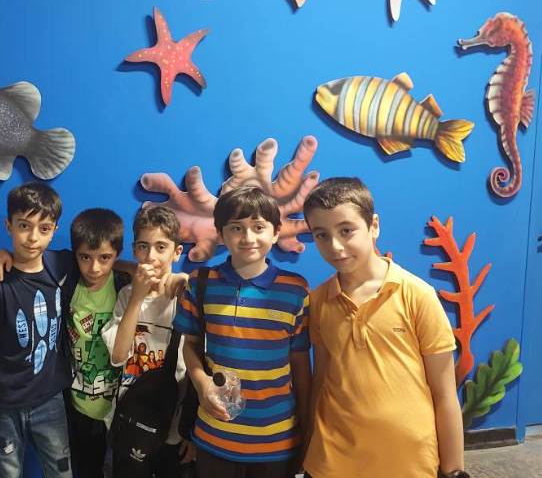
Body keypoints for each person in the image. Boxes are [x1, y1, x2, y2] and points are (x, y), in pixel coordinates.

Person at [302, 177, 466, 478]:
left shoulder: (417, 295)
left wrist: (454, 471)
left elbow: (445, 394)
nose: (335, 246)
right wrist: (308, 445)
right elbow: (321, 381)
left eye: (346, 230)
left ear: (373, 225)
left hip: (408, 465)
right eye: (321, 235)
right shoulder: (319, 300)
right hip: (332, 463)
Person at [175, 186, 311, 478]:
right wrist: (201, 382)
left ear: (275, 232)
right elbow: (190, 344)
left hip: (277, 441)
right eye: (236, 228)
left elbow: (301, 366)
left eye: (258, 227)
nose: (248, 237)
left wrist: (307, 432)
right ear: (221, 234)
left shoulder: (295, 289)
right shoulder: (200, 283)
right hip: (214, 436)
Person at [0, 182, 74, 478]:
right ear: (8, 225)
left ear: (54, 230)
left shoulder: (61, 265)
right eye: (24, 225)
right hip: (1, 406)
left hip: (50, 401)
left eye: (44, 228)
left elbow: (104, 260)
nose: (33, 237)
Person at [101, 205, 195, 477]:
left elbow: (201, 363)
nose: (151, 256)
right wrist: (137, 297)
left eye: (161, 247)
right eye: (143, 246)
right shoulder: (126, 294)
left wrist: (192, 433)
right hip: (131, 417)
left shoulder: (187, 297)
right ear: (134, 249)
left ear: (177, 252)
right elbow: (118, 356)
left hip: (174, 426)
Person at [66, 208, 131, 478]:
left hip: (120, 404)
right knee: (86, 468)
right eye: (85, 257)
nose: (94, 268)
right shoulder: (67, 284)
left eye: (105, 258)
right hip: (78, 404)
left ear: (117, 254)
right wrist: (3, 254)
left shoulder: (124, 284)